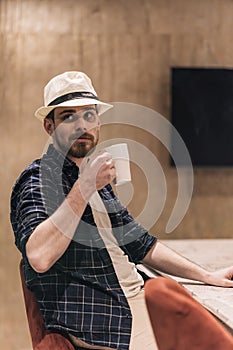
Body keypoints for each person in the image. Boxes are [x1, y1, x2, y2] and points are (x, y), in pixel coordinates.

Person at [10, 71, 233, 350]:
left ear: (99, 121)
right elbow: (39, 257)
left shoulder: (95, 176)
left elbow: (141, 244)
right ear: (49, 126)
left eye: (89, 116)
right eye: (68, 116)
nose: (82, 126)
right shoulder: (38, 180)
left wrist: (207, 276)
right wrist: (84, 188)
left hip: (134, 299)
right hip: (103, 322)